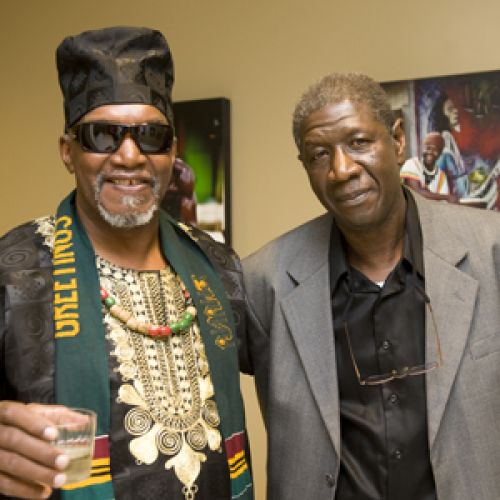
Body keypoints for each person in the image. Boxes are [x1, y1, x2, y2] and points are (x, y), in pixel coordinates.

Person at [0, 27, 253, 500]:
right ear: (67, 152)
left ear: (172, 151)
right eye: (102, 135)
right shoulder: (13, 272)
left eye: (151, 136)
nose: (130, 156)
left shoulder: (219, 266)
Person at [241, 72, 500, 499]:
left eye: (359, 142)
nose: (341, 170)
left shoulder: (490, 251)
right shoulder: (263, 283)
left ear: (397, 141)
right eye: (320, 154)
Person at [400, 132, 458, 203]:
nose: (430, 152)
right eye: (427, 148)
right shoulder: (411, 164)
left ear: (440, 153)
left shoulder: (441, 176)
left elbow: (443, 203)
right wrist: (446, 197)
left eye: (435, 149)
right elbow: (416, 193)